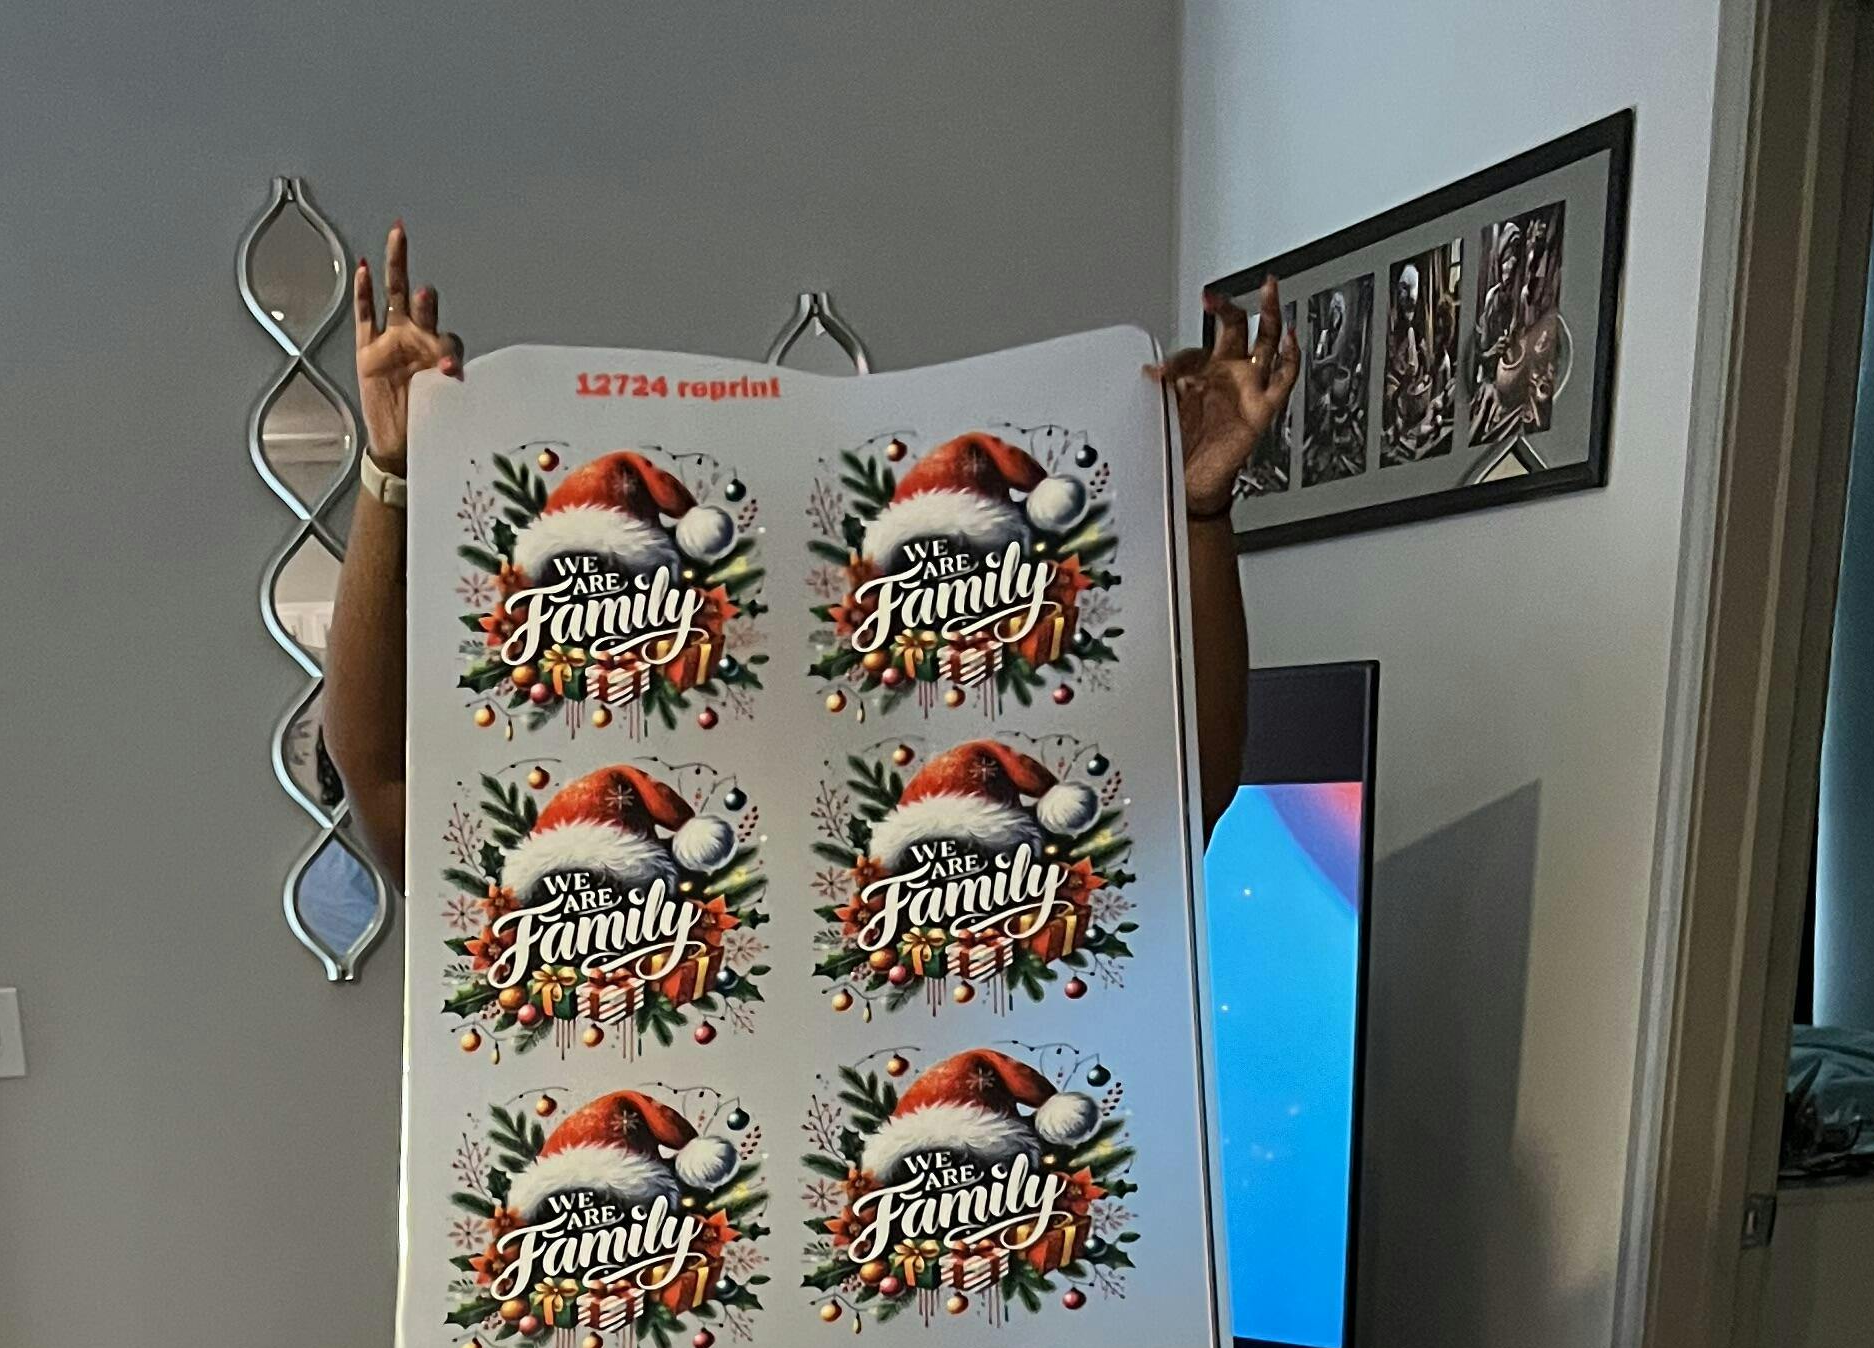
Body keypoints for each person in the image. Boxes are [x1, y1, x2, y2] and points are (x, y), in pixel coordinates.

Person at [322, 225, 1301, 880]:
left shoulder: (934, 830)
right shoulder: (618, 836)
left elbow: (1191, 795)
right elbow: (381, 789)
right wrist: (391, 475)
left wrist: (1198, 513)